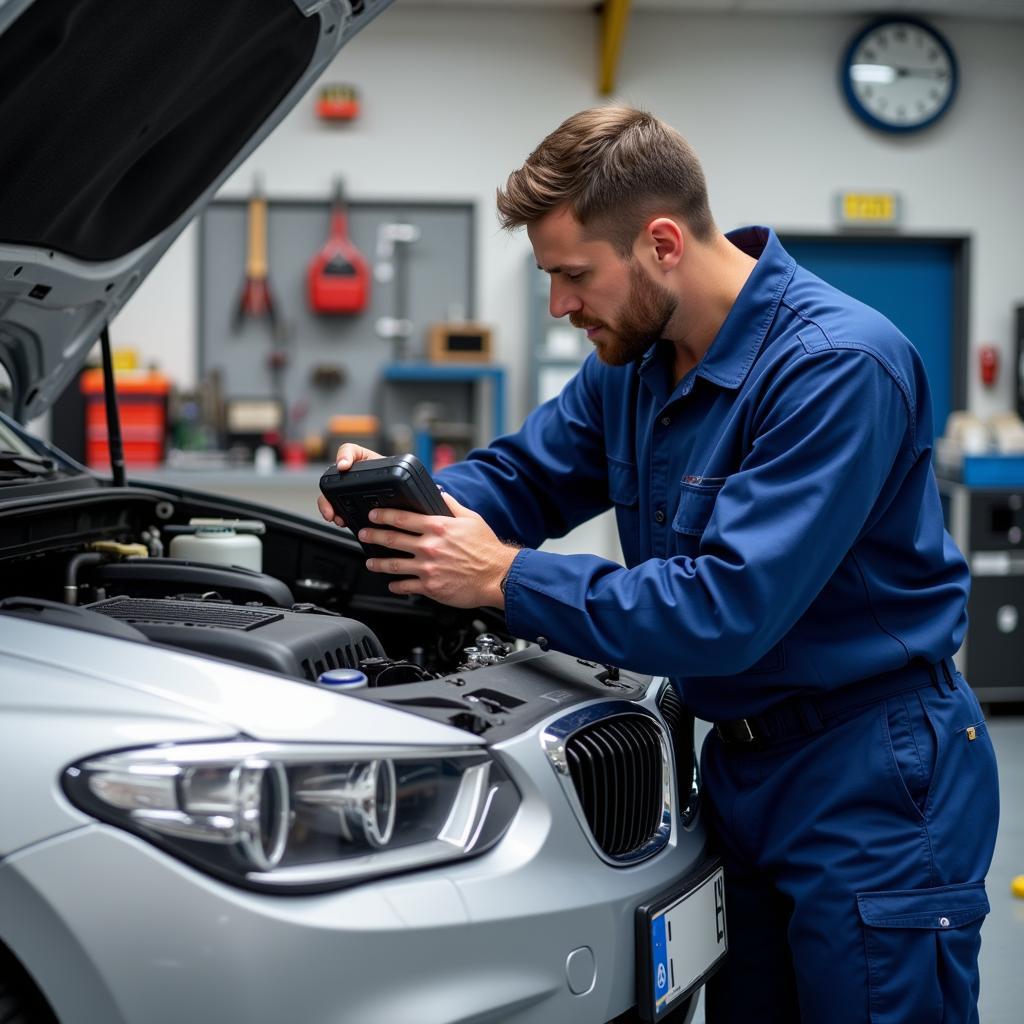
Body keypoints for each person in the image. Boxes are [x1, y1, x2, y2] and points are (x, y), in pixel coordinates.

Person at [317, 105, 999, 1023]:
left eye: (572, 276)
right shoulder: (634, 367)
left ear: (663, 242)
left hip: (874, 772)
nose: (560, 305)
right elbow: (525, 475)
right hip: (741, 770)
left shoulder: (837, 367)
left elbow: (724, 609)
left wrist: (503, 577)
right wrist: (411, 508)